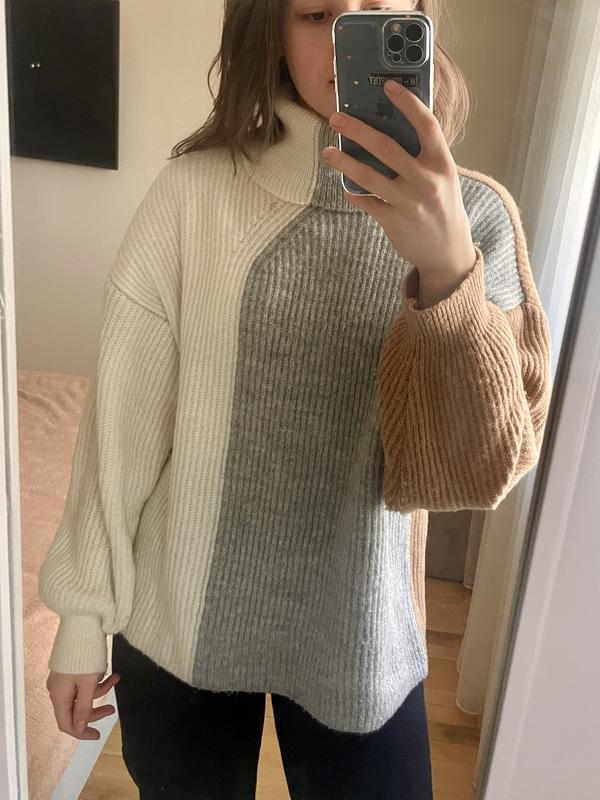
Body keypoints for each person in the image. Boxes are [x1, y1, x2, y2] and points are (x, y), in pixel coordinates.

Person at [39, 1, 552, 798]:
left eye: (376, 10)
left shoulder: (476, 217)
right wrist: (80, 619)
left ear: (419, 19)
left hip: (361, 631)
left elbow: (485, 469)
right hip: (178, 621)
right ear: (272, 34)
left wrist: (448, 270)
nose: (348, 37)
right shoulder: (191, 195)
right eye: (317, 14)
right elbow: (122, 430)